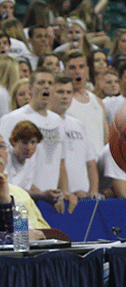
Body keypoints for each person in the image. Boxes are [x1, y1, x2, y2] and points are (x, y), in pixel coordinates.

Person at [0, 68, 77, 214]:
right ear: (30, 88)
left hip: (48, 201)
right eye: (41, 82)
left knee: (44, 235)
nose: (46, 86)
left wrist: (63, 192)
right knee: (20, 234)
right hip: (19, 201)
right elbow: (4, 161)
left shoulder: (57, 121)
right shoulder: (12, 119)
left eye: (50, 83)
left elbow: (61, 163)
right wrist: (41, 194)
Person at [49, 75, 101, 199]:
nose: (65, 96)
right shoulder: (43, 122)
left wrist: (93, 191)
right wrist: (64, 192)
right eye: (60, 92)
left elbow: (91, 162)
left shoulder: (78, 124)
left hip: (84, 197)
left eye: (68, 92)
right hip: (56, 197)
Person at [64, 50, 109, 157]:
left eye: (81, 67)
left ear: (87, 71)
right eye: (72, 68)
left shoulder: (98, 101)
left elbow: (106, 138)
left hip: (98, 164)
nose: (77, 71)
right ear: (64, 71)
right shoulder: (62, 102)